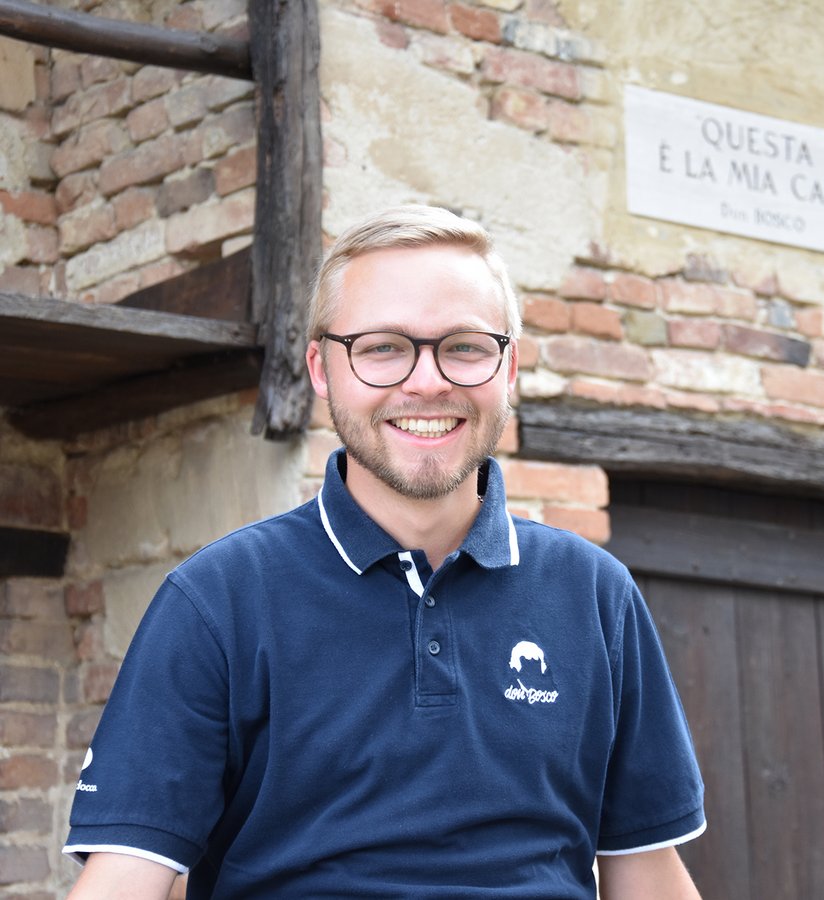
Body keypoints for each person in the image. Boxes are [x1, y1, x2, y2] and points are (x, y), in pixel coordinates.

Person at [63, 205, 706, 899]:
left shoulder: (594, 595)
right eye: (382, 348)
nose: (427, 382)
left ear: (509, 365)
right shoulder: (218, 601)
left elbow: (646, 872)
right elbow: (126, 879)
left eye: (463, 346)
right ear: (320, 367)